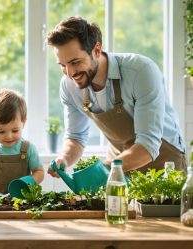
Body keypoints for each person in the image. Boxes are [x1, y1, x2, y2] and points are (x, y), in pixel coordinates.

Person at [46, 16, 187, 177]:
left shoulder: (141, 71)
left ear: (97, 50)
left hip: (163, 160)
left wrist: (102, 170)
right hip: (117, 160)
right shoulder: (68, 86)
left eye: (75, 62)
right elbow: (76, 136)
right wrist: (63, 158)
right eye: (63, 65)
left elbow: (148, 145)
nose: (70, 73)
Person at [0, 89, 44, 193]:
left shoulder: (28, 148)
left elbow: (39, 172)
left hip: (22, 200)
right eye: (1, 131)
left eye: (15, 130)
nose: (8, 137)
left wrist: (27, 183)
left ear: (24, 122)